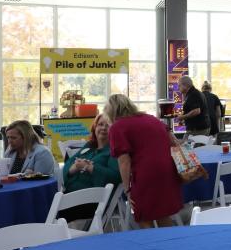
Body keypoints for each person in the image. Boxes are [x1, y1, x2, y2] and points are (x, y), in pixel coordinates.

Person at [105, 94, 182, 228]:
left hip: (145, 175)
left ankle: (151, 246)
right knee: (163, 214)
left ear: (111, 111)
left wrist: (127, 189)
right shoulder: (152, 119)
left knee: (144, 216)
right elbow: (174, 142)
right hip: (167, 171)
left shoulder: (118, 127)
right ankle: (171, 244)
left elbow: (124, 162)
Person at [59, 114, 120, 223]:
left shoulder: (113, 151)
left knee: (51, 211)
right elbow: (68, 164)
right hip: (71, 196)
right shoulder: (89, 146)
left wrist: (91, 167)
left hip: (93, 201)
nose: (103, 128)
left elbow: (115, 177)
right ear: (95, 127)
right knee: (44, 205)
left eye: (108, 125)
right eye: (100, 124)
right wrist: (74, 168)